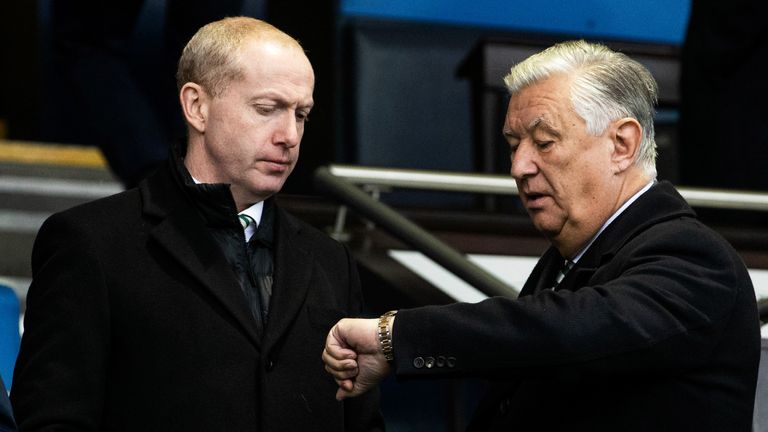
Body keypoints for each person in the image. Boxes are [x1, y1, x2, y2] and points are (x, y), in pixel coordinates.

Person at [323, 40, 761, 431]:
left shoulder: (694, 256)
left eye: (544, 142)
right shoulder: (568, 258)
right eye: (514, 145)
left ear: (622, 145)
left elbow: (570, 331)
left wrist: (395, 336)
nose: (518, 167)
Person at [11, 17, 383, 431]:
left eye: (301, 115)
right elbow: (53, 419)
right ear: (196, 106)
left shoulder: (330, 260)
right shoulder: (93, 241)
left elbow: (362, 422)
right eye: (267, 108)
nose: (289, 135)